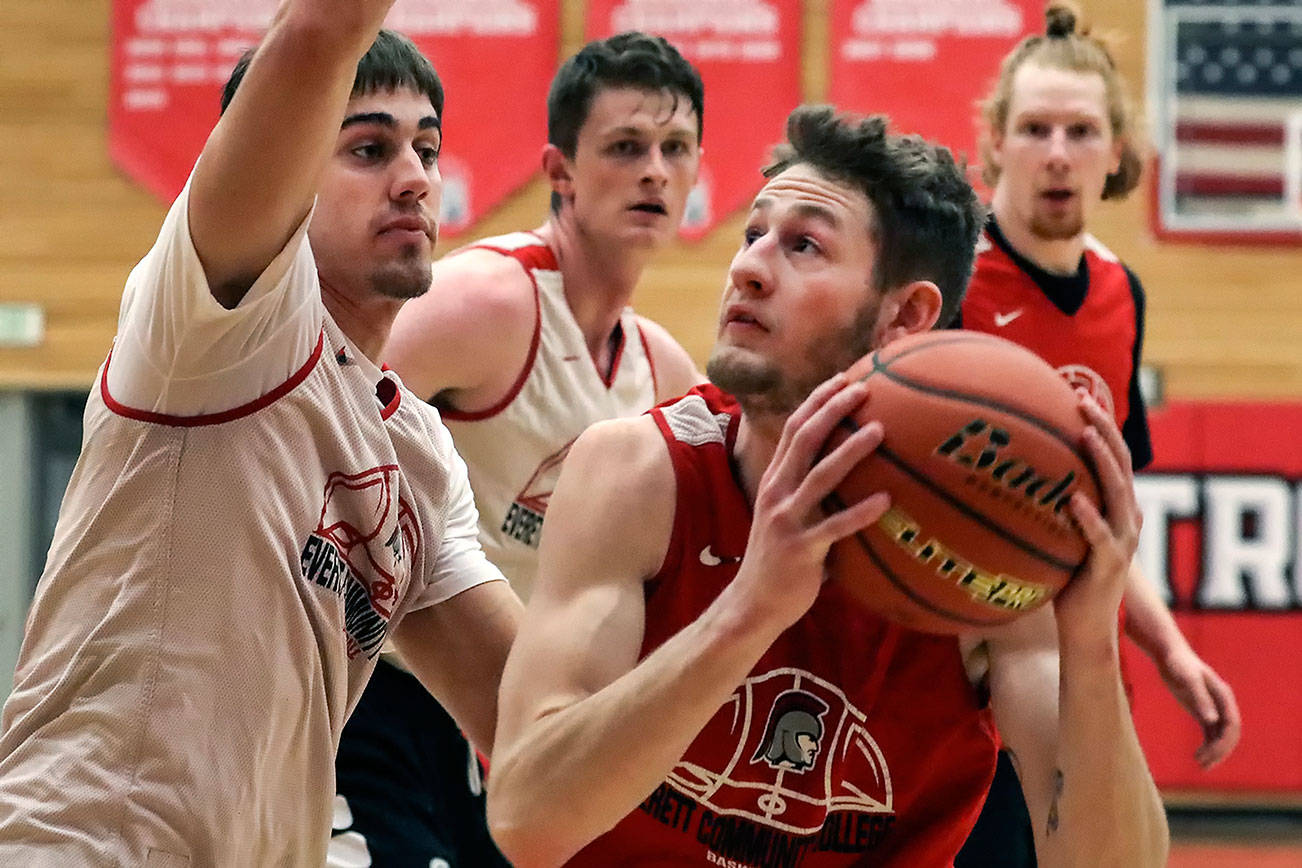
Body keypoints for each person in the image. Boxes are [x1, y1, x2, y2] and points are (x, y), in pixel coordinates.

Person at [487, 105, 1170, 867]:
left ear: (904, 315)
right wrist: (749, 612)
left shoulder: (980, 545)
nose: (747, 266)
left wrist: (1090, 641)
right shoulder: (639, 473)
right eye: (754, 235)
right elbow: (526, 820)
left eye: (803, 244)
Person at [0, 2, 522, 864]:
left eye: (426, 149)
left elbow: (535, 717)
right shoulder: (225, 324)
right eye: (368, 148)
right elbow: (321, 29)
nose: (416, 178)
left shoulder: (420, 460)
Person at [327, 32, 705, 865]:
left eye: (675, 149)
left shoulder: (665, 371)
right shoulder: (483, 302)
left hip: (513, 717)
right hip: (384, 691)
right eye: (626, 147)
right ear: (560, 170)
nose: (654, 170)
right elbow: (315, 421)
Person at [955, 5, 1242, 864]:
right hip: (954, 678)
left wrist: (1172, 650)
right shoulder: (948, 278)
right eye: (1034, 127)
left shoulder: (1123, 296)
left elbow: (1101, 527)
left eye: (1081, 131)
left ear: (1115, 152)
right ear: (996, 141)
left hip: (1069, 668)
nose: (1057, 152)